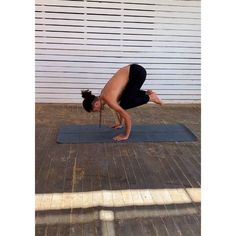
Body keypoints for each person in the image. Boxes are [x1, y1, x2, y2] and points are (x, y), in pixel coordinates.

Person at [81, 64, 162, 141]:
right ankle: (146, 93)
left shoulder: (108, 99)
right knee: (124, 102)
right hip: (134, 71)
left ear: (95, 104)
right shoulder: (103, 95)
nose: (97, 111)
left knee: (126, 103)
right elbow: (120, 106)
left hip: (137, 73)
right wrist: (120, 123)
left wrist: (125, 135)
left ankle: (150, 97)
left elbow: (127, 117)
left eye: (94, 110)